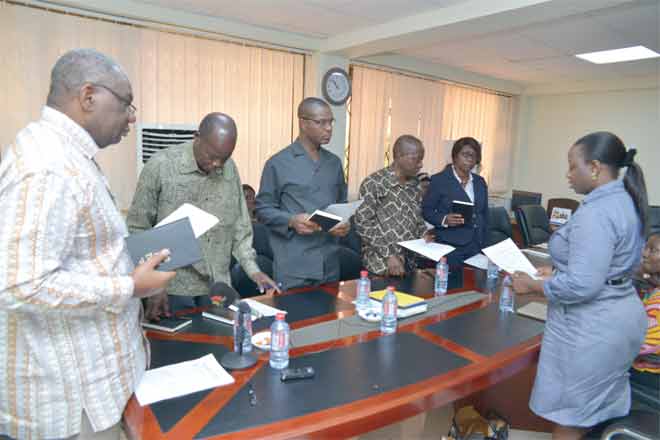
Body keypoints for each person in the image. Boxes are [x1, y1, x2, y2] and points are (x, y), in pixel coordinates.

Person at [0, 48, 175, 440]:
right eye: (127, 104)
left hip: (100, 387)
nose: (133, 116)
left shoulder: (71, 157)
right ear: (88, 96)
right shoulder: (46, 166)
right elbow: (20, 285)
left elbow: (82, 254)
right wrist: (130, 286)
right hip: (70, 403)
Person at [511, 131, 648, 440]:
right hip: (621, 315)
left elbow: (584, 285)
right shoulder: (625, 200)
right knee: (592, 412)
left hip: (594, 327)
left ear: (596, 167)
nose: (568, 174)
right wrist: (559, 270)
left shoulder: (596, 212)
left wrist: (533, 286)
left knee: (571, 417)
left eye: (573, 166)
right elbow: (610, 263)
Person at [127, 113, 278, 318]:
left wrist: (254, 271)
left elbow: (240, 228)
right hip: (172, 291)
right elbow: (137, 229)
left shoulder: (229, 169)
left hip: (217, 289)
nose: (217, 164)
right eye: (212, 156)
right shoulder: (161, 166)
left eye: (223, 159)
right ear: (196, 136)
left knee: (220, 346)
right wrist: (155, 286)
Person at [256, 97, 350, 290]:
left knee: (329, 319)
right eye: (321, 122)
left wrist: (345, 223)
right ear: (303, 123)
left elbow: (342, 205)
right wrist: (291, 221)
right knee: (296, 318)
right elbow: (262, 209)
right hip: (294, 265)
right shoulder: (278, 163)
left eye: (330, 122)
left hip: (329, 262)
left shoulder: (334, 164)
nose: (329, 128)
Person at [354, 135, 432, 276]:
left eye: (422, 159)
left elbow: (417, 218)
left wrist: (424, 234)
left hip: (409, 265)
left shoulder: (415, 185)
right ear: (399, 156)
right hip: (380, 266)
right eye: (416, 159)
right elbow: (363, 224)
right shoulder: (374, 183)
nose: (420, 164)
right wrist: (389, 255)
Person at [422, 137, 488, 266]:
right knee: (453, 284)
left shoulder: (480, 182)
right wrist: (444, 219)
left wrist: (485, 245)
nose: (469, 159)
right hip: (450, 246)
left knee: (475, 284)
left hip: (476, 245)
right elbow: (426, 210)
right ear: (454, 156)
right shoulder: (439, 180)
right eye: (465, 154)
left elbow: (485, 215)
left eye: (474, 156)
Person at [634, 233, 660, 373]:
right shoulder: (650, 288)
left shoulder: (657, 302)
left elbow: (643, 345)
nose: (644, 254)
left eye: (652, 250)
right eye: (645, 248)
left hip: (647, 371)